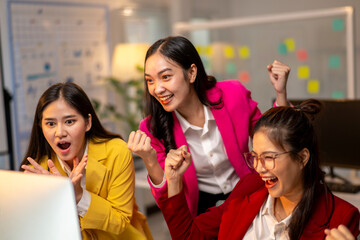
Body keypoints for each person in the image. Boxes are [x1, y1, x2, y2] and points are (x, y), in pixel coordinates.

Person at [127, 35, 291, 216]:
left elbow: (274, 140)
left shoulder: (232, 94)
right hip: (201, 210)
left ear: (191, 73)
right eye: (150, 80)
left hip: (248, 195)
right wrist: (149, 160)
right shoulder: (151, 128)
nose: (157, 89)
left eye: (165, 77)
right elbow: (168, 202)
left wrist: (280, 93)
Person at [157, 99, 360, 240]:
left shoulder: (341, 218)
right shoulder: (250, 187)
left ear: (302, 158)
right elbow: (190, 236)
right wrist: (174, 181)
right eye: (255, 157)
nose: (258, 167)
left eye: (269, 157)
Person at [20, 82, 153, 240]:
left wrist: (78, 196)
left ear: (88, 123)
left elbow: (120, 221)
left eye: (69, 121)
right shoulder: (37, 170)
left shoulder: (117, 152)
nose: (60, 132)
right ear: (41, 127)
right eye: (50, 124)